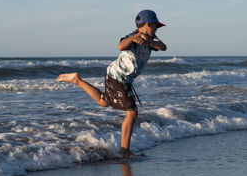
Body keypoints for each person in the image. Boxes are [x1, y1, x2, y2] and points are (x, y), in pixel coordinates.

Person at [56, 9, 167, 157]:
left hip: (122, 79)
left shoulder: (151, 39)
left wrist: (150, 41)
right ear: (147, 24)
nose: (156, 29)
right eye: (155, 26)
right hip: (117, 77)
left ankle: (77, 80)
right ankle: (124, 150)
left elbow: (163, 47)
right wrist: (135, 37)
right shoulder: (132, 37)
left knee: (103, 102)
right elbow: (121, 46)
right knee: (132, 113)